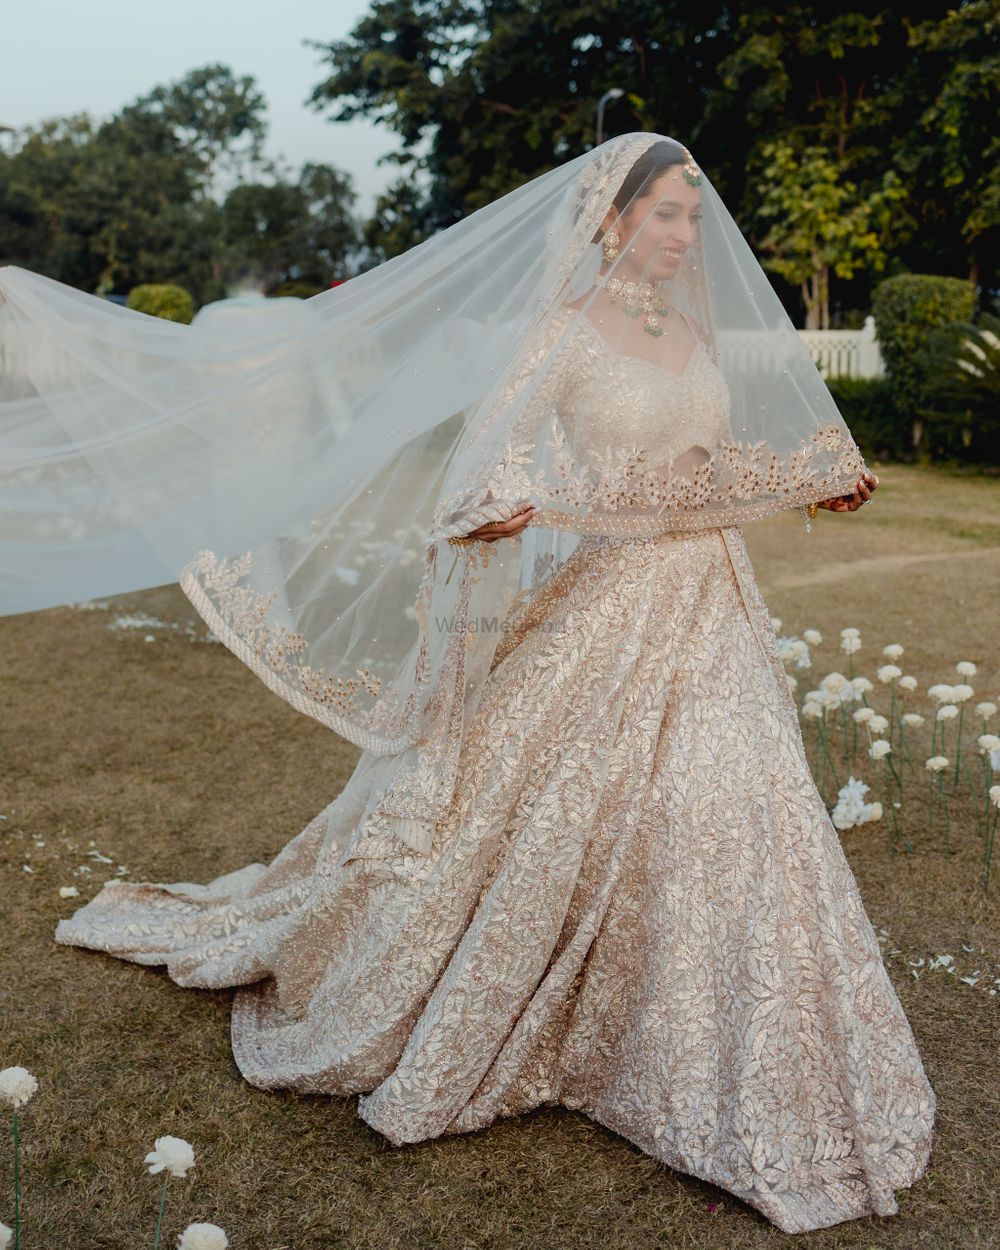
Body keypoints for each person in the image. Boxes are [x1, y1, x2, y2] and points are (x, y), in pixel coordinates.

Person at [1, 133, 933, 1236]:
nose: (686, 235)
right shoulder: (560, 334)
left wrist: (812, 483)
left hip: (712, 606)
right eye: (667, 215)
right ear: (612, 219)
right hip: (607, 606)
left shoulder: (693, 333)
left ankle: (736, 1048)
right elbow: (479, 471)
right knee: (552, 815)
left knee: (736, 811)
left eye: (693, 214)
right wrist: (500, 509)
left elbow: (706, 469)